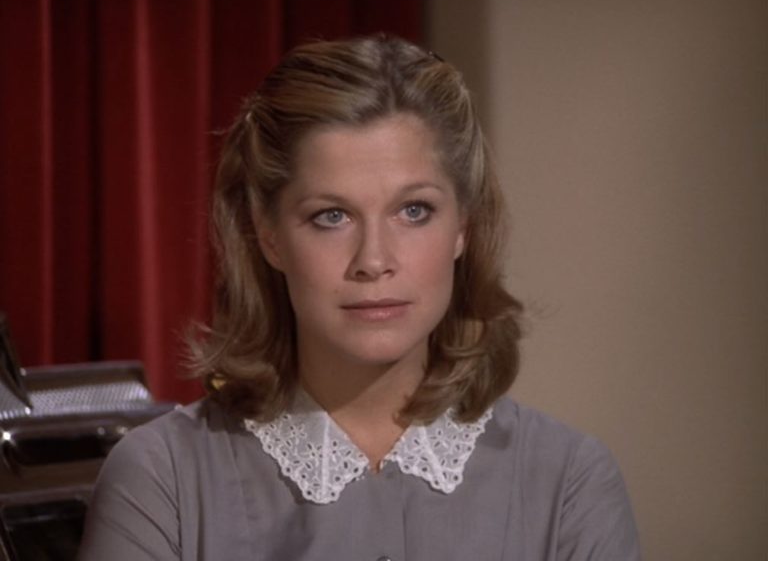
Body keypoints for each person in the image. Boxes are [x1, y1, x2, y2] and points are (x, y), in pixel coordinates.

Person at [78, 34, 640, 560]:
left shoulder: (570, 481)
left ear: (463, 228)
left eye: (413, 211)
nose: (374, 260)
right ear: (269, 236)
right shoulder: (161, 478)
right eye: (332, 216)